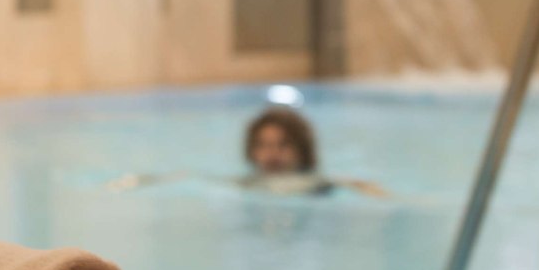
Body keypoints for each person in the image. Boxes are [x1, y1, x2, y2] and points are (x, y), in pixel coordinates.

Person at [106, 106, 389, 198]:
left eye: (283, 145)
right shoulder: (249, 183)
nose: (272, 153)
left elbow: (357, 185)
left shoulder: (318, 184)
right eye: (264, 146)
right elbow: (192, 176)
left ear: (303, 151)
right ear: (252, 152)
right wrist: (138, 181)